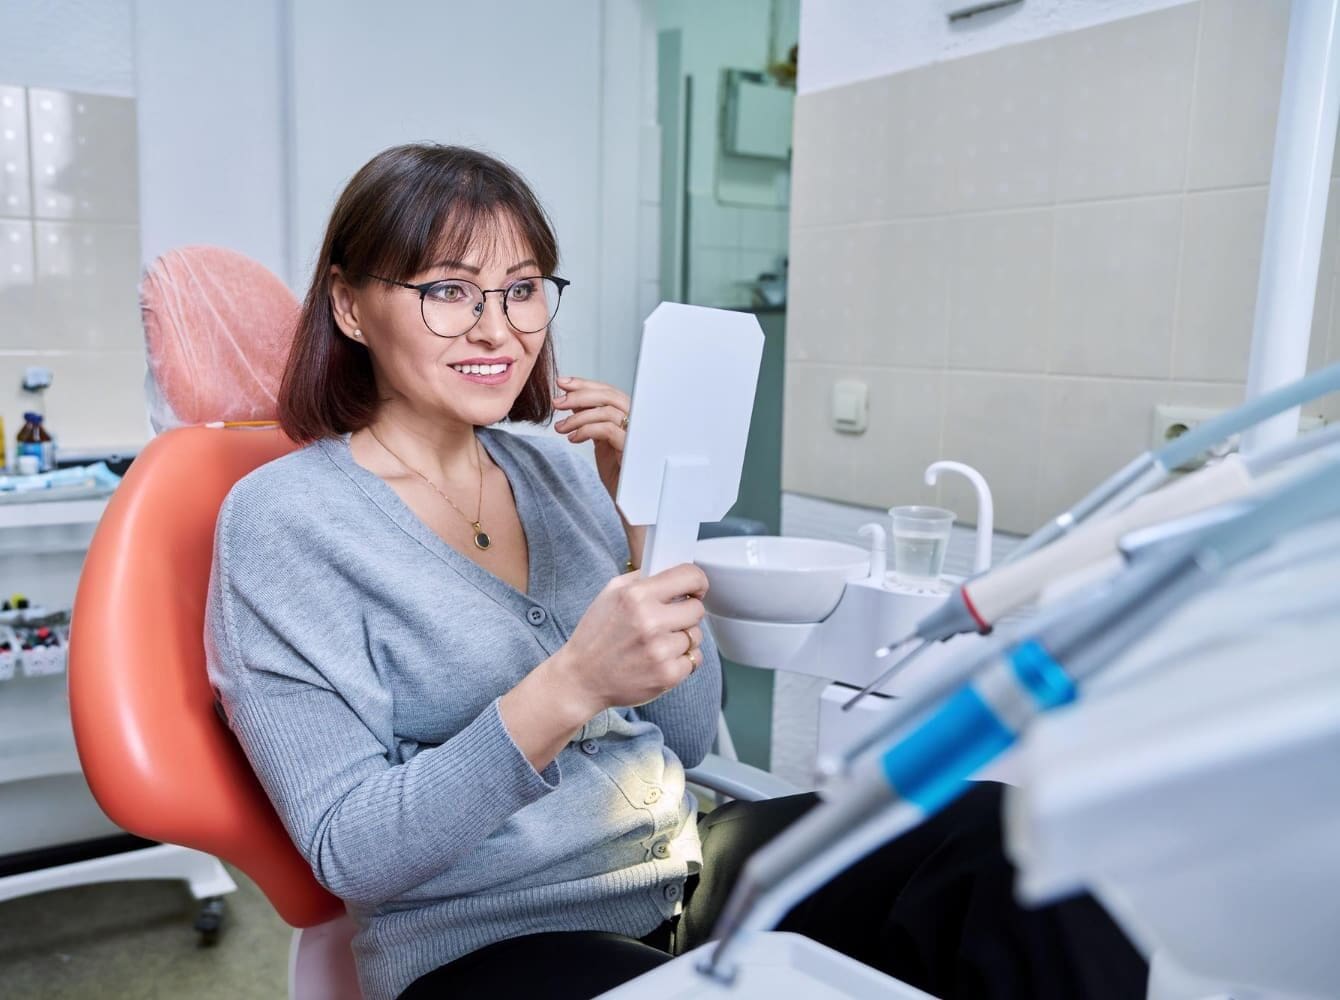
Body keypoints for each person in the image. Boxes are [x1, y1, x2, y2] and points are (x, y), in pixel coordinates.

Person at [205, 143, 1147, 1000]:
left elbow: (688, 737)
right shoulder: (286, 521)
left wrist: (650, 528)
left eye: (523, 288)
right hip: (484, 945)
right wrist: (570, 683)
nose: (497, 329)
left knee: (1001, 846)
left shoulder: (561, 472)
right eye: (449, 290)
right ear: (348, 304)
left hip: (680, 876)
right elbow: (351, 850)